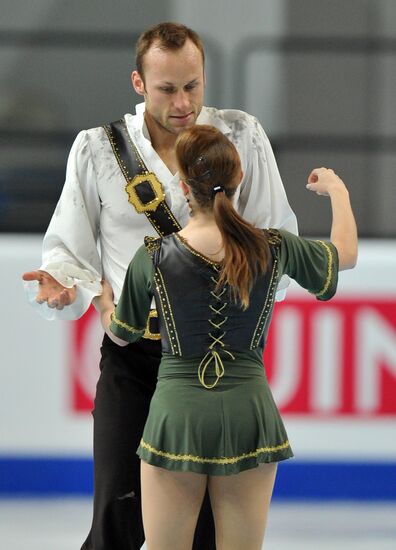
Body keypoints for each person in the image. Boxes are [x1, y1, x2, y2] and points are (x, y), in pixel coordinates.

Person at [22, 22, 298, 550]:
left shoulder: (240, 137)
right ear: (138, 83)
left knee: (207, 532)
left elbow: (275, 239)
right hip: (132, 359)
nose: (182, 102)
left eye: (192, 85)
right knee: (117, 520)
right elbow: (69, 254)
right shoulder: (98, 150)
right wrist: (60, 289)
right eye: (167, 88)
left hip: (214, 362)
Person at [96, 124, 357, 550]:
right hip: (249, 415)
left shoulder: (154, 256)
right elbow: (344, 255)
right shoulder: (273, 247)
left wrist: (103, 302)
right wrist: (338, 191)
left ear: (183, 187)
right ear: (239, 182)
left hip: (176, 417)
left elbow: (121, 336)